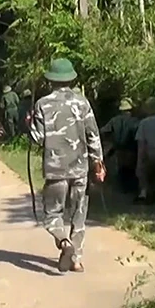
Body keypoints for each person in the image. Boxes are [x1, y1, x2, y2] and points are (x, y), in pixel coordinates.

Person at [29, 59, 106, 274]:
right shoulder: (83, 103)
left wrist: (30, 123)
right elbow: (93, 135)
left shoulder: (42, 104)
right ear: (71, 79)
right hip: (80, 169)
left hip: (55, 170)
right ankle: (76, 260)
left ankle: (64, 242)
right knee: (79, 214)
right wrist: (98, 164)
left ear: (50, 80)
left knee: (52, 213)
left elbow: (37, 138)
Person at [101, 98, 140, 194]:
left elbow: (103, 131)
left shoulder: (114, 120)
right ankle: (131, 188)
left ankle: (123, 189)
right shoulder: (135, 121)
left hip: (118, 148)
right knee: (131, 168)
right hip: (131, 148)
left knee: (121, 167)